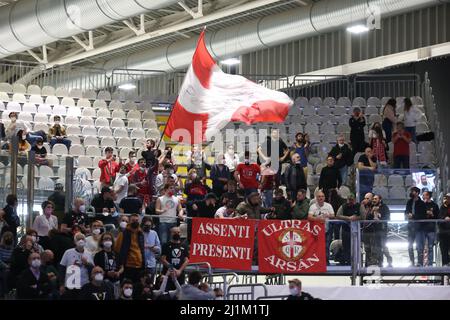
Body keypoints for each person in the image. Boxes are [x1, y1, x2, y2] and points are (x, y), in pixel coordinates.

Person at [59, 232, 94, 299]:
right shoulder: (68, 252)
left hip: (84, 284)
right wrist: (61, 284)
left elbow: (92, 269)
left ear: (85, 241)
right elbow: (62, 268)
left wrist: (86, 263)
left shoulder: (89, 253)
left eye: (82, 239)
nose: (80, 241)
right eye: (78, 239)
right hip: (71, 284)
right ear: (75, 242)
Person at [114, 213, 145, 283]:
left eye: (137, 220)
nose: (135, 222)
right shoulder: (123, 233)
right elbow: (117, 249)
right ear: (129, 222)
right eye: (133, 220)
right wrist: (120, 264)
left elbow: (142, 250)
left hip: (139, 265)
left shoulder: (141, 234)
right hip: (127, 265)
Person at [361, 194, 391, 267]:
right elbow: (367, 218)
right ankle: (380, 262)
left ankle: (389, 260)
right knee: (378, 247)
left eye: (376, 199)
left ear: (380, 199)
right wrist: (372, 212)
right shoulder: (371, 207)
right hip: (375, 230)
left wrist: (380, 217)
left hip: (382, 230)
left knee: (383, 246)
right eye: (373, 199)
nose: (374, 200)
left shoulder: (384, 207)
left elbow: (387, 217)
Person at [308, 191, 335, 264]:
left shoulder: (328, 206)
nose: (321, 198)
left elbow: (333, 216)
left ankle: (326, 261)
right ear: (316, 198)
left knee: (326, 246)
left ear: (324, 197)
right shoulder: (313, 206)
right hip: (316, 230)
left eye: (322, 196)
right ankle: (317, 261)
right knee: (316, 246)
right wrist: (318, 219)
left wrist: (327, 215)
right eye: (319, 196)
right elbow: (309, 217)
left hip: (327, 229)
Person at [161, 226, 189, 291]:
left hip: (180, 275)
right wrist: (172, 269)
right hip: (168, 274)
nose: (176, 234)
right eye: (174, 232)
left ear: (180, 234)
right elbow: (163, 259)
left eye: (178, 232)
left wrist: (179, 271)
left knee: (179, 294)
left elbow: (186, 260)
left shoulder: (184, 246)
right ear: (171, 233)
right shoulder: (166, 245)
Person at [335, 194, 360, 265]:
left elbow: (363, 216)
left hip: (356, 229)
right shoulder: (343, 206)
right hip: (345, 229)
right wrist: (348, 218)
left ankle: (356, 261)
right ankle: (347, 261)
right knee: (346, 246)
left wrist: (356, 218)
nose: (350, 201)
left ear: (354, 200)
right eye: (349, 200)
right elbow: (338, 215)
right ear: (347, 200)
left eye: (352, 200)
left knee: (355, 246)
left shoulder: (359, 206)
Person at [416, 191, 439, 266]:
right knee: (420, 247)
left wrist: (432, 214)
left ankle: (430, 264)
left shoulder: (434, 205)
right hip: (421, 228)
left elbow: (438, 216)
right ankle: (420, 263)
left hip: (431, 228)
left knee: (430, 247)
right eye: (422, 195)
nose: (423, 196)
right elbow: (417, 215)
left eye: (424, 195)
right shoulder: (420, 205)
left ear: (428, 196)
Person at [405, 187, 426, 267]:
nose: (411, 192)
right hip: (410, 227)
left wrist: (413, 215)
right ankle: (412, 262)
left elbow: (423, 215)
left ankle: (420, 263)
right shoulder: (409, 202)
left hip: (419, 228)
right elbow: (406, 211)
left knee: (419, 247)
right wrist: (407, 214)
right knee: (410, 246)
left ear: (417, 193)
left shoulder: (422, 203)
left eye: (412, 191)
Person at [141, 217, 161, 282]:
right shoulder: (139, 233)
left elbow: (159, 248)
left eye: (149, 226)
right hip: (140, 262)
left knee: (150, 283)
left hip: (151, 263)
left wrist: (154, 248)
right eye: (146, 225)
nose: (148, 227)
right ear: (142, 225)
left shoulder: (154, 233)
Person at [438, 194, 450, 266]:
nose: (446, 200)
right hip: (443, 234)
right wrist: (444, 218)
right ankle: (445, 267)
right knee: (444, 252)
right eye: (446, 198)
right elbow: (439, 218)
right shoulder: (442, 208)